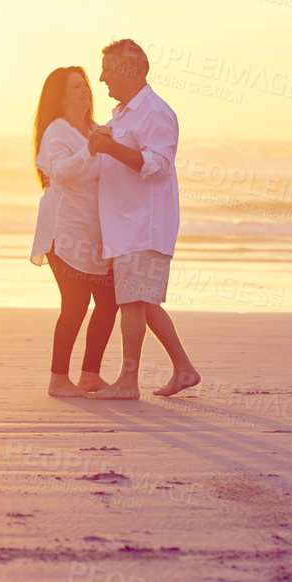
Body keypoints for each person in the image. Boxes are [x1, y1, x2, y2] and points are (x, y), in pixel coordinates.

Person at [85, 39, 200, 400]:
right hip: (125, 227)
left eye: (107, 68)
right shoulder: (122, 115)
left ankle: (128, 383)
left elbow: (157, 164)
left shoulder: (154, 112)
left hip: (143, 226)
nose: (101, 77)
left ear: (128, 69)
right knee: (144, 302)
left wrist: (109, 147)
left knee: (133, 303)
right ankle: (183, 369)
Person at [29, 66, 117, 397]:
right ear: (61, 96)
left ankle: (90, 375)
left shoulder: (97, 129)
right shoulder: (57, 131)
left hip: (95, 234)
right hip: (62, 231)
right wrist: (91, 149)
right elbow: (62, 174)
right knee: (75, 303)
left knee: (109, 303)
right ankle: (58, 379)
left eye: (85, 85)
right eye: (76, 86)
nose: (84, 91)